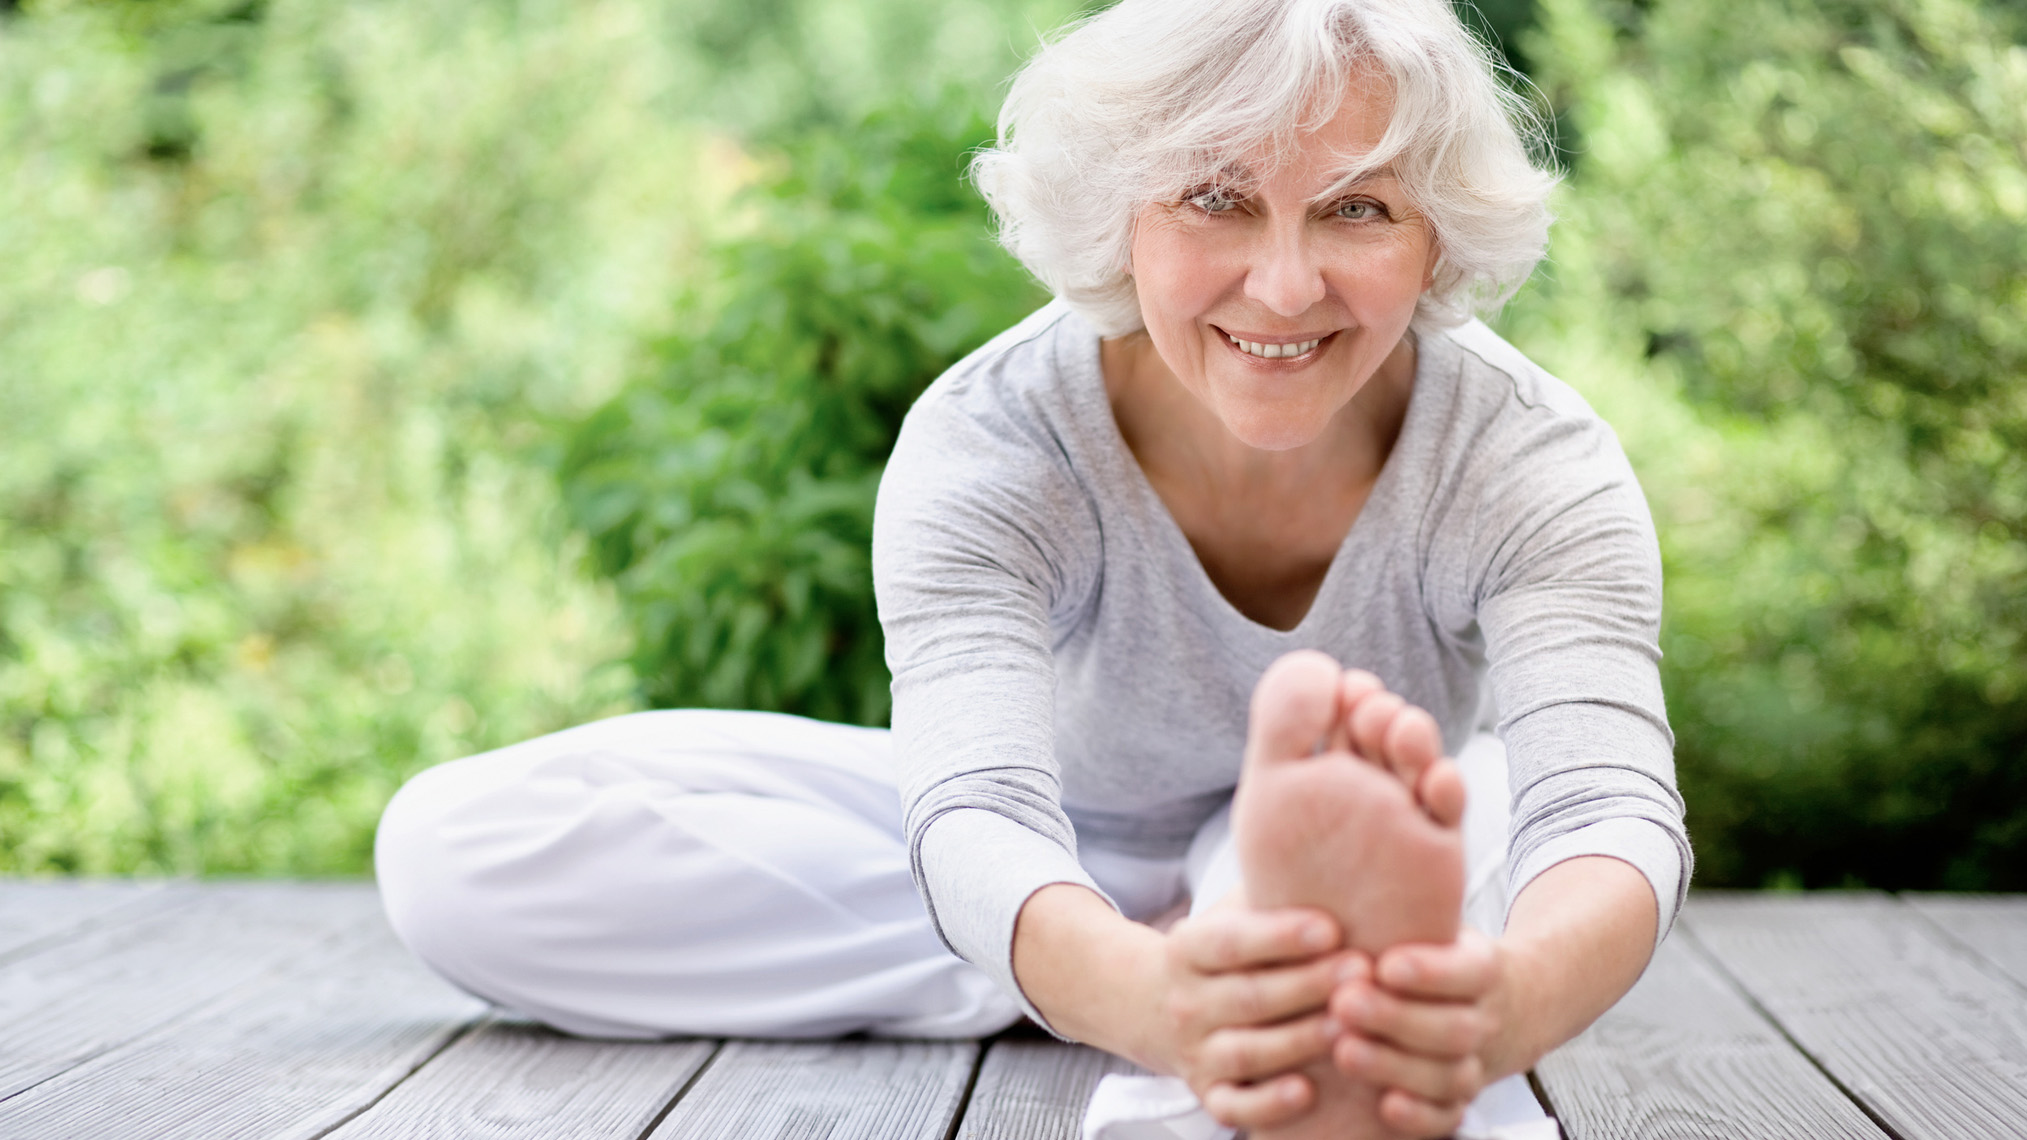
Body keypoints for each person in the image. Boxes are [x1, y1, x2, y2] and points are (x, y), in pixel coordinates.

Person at [372, 0, 1690, 1136]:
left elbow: (1610, 811)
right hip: (1057, 837)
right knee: (454, 849)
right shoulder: (992, 440)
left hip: (1398, 817)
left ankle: (1253, 962)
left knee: (1501, 801)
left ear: (1438, 236)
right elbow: (980, 806)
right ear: (1116, 218)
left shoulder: (1531, 462)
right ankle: (1236, 979)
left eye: (1356, 209)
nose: (1284, 288)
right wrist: (1135, 983)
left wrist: (1512, 1000)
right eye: (1216, 199)